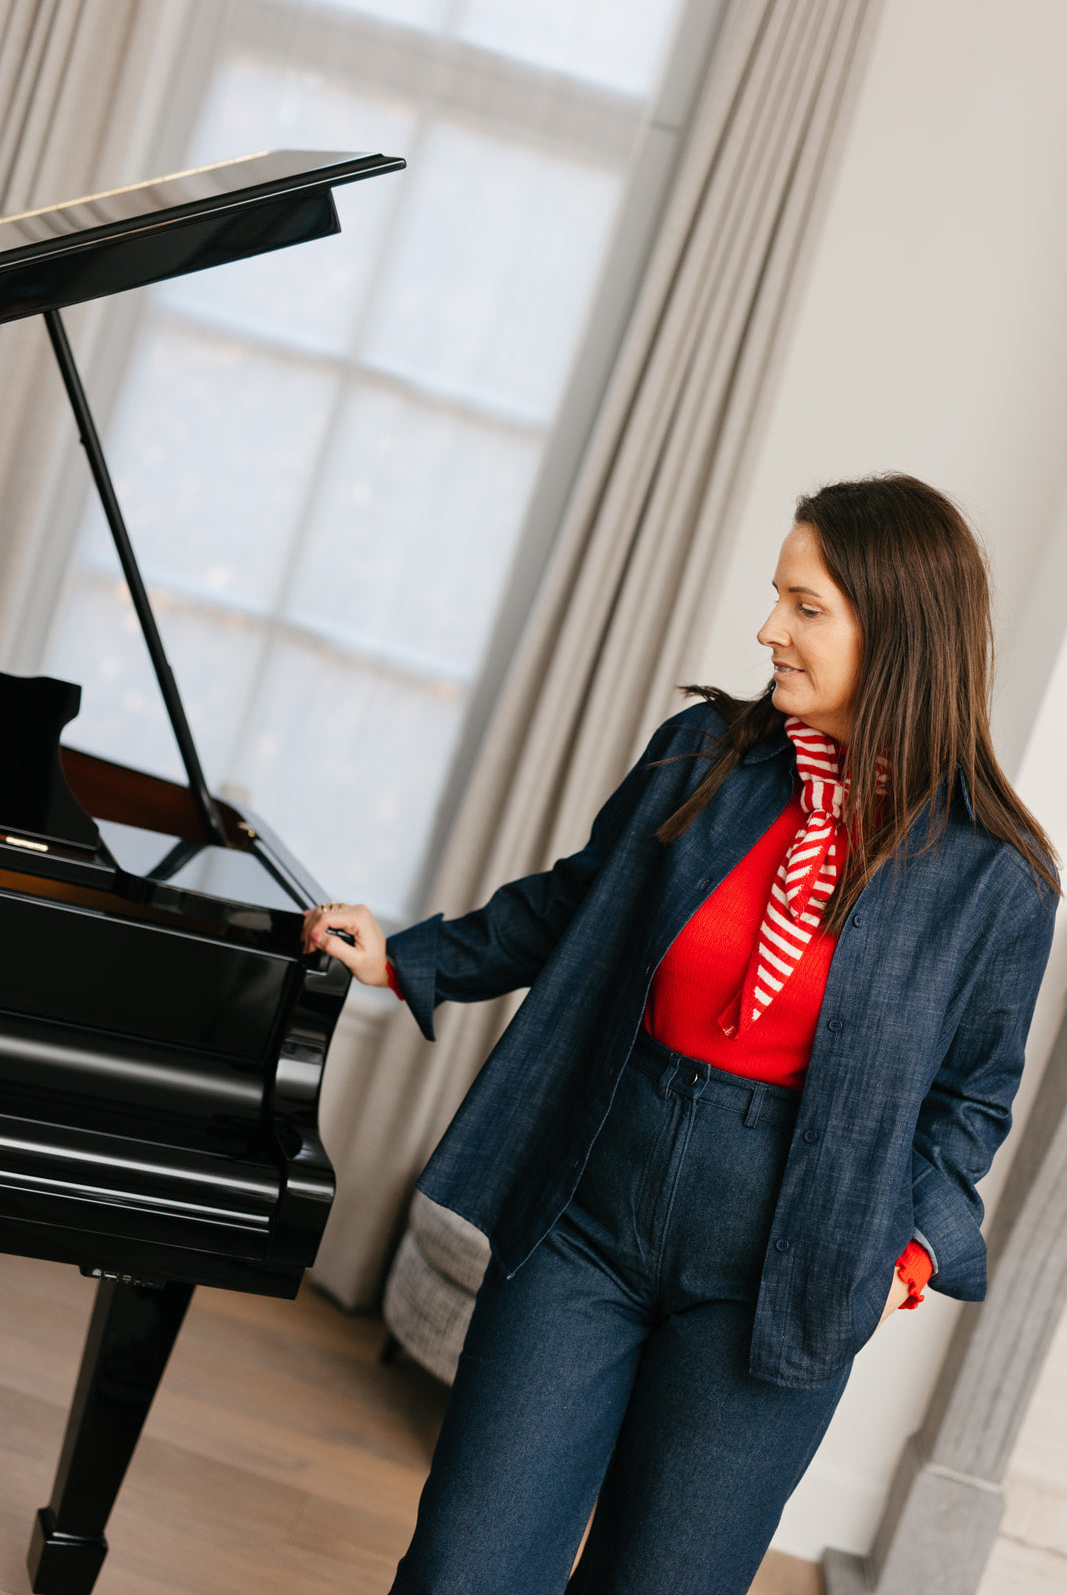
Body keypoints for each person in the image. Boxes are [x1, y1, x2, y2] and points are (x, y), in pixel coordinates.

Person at [302, 474, 1059, 1595]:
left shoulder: (994, 880)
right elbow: (578, 903)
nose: (768, 630)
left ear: (895, 630)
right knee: (464, 1566)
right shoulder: (704, 753)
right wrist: (413, 955)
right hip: (593, 1199)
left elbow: (971, 1099)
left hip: (789, 1252)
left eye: (805, 607)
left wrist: (906, 1244)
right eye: (775, 599)